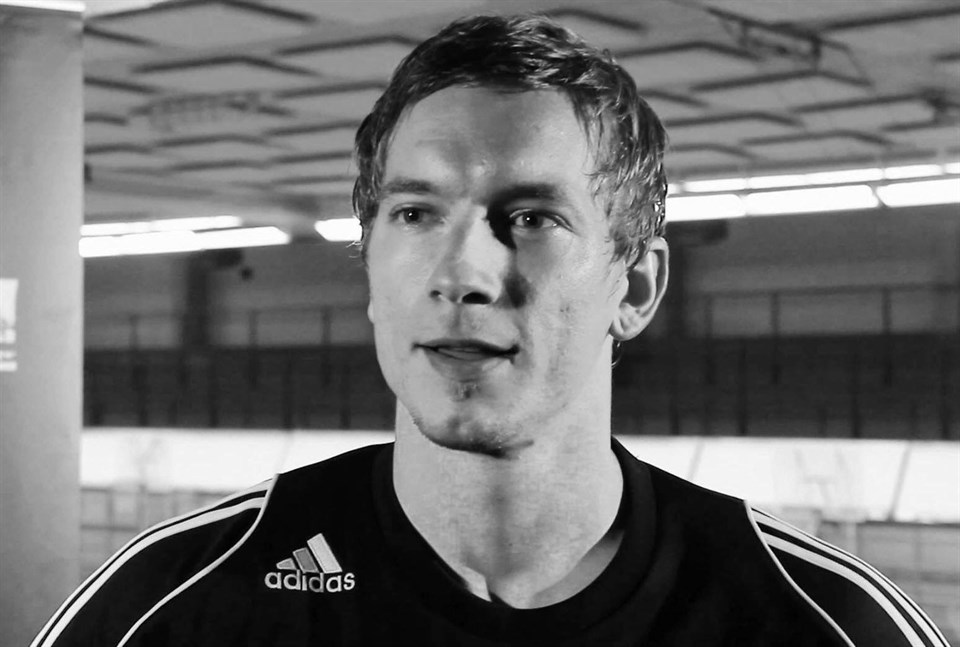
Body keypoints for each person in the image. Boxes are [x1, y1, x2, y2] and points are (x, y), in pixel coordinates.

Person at [33, 14, 947, 647]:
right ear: (371, 268)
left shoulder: (828, 622)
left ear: (636, 285)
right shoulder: (167, 603)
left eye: (532, 217)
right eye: (416, 214)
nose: (463, 273)